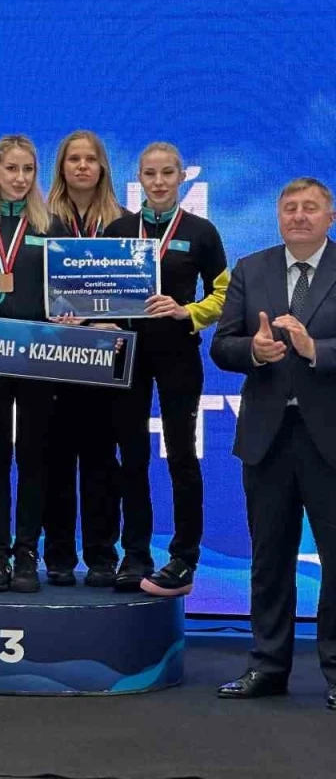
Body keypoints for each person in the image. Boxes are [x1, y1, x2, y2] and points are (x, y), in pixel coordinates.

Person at [211, 178, 336, 709]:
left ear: (330, 216)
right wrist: (254, 351)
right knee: (268, 558)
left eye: (311, 207)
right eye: (290, 208)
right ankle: (267, 665)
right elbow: (222, 346)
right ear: (279, 217)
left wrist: (315, 349)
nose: (299, 215)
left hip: (329, 438)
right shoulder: (251, 268)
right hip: (267, 436)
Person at [103, 142, 227, 596]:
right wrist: (96, 317)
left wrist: (187, 311)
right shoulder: (118, 230)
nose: (158, 182)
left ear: (181, 177)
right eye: (150, 174)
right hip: (127, 355)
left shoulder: (201, 231)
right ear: (138, 178)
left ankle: (184, 556)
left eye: (167, 173)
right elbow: (95, 289)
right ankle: (135, 552)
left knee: (181, 456)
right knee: (131, 456)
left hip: (178, 354)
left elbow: (224, 295)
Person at [0, 135, 68, 593]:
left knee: (34, 455)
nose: (20, 178)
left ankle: (27, 551)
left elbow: (67, 293)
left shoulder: (52, 224)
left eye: (28, 170)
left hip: (39, 356)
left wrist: (70, 315)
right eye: (11, 169)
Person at [42, 129, 128, 586]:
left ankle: (101, 555)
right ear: (61, 167)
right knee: (55, 461)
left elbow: (138, 295)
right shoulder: (41, 222)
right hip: (54, 358)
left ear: (102, 168)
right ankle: (57, 555)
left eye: (90, 159)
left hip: (103, 360)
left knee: (101, 462)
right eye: (73, 158)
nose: (81, 166)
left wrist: (117, 323)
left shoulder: (124, 225)